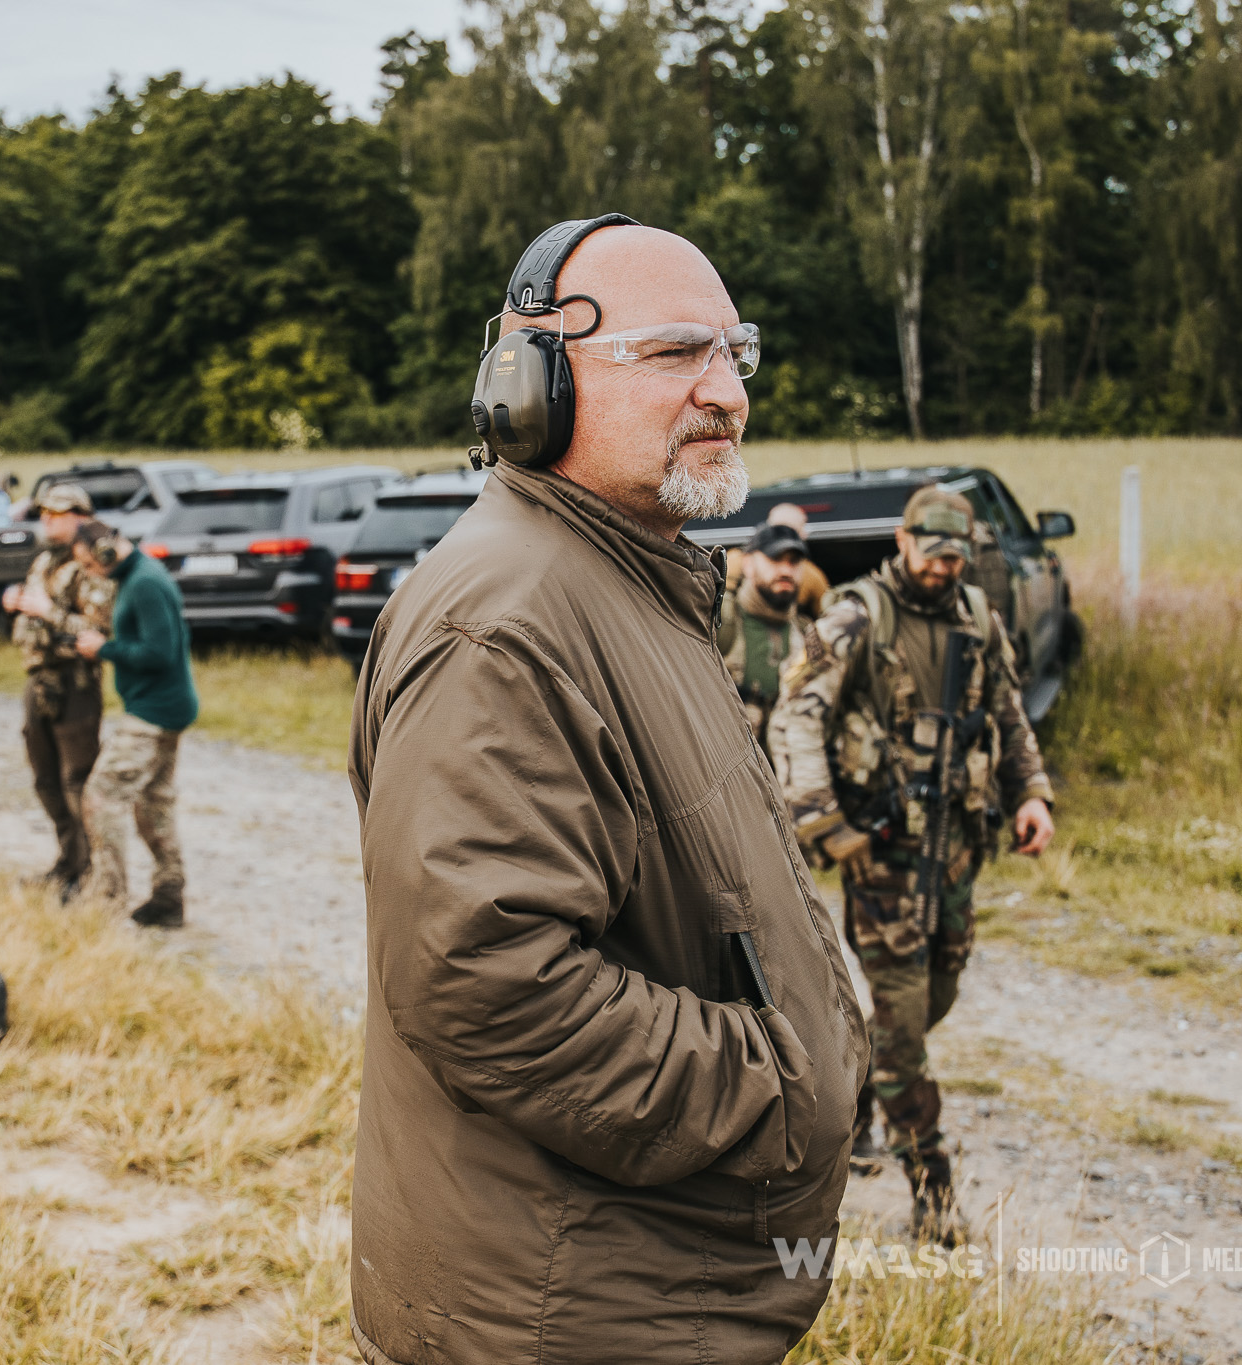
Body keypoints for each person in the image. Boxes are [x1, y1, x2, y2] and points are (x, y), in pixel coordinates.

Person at [349, 220, 864, 1365]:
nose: (724, 391)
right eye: (677, 351)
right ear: (532, 387)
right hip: (564, 1316)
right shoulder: (505, 624)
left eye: (736, 351)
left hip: (637, 1292)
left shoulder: (628, 577)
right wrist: (781, 1084)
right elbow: (484, 985)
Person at [771, 483, 1055, 1235]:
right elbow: (795, 716)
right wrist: (826, 824)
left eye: (955, 557)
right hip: (883, 856)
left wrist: (1033, 795)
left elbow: (1009, 716)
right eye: (931, 555)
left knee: (933, 1000)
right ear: (903, 542)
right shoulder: (857, 616)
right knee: (903, 1032)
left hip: (957, 855)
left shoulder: (977, 617)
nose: (941, 569)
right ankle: (934, 1196)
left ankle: (852, 1102)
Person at [71, 520, 196, 928]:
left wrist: (103, 648)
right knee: (152, 803)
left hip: (153, 712)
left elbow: (160, 652)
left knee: (101, 796)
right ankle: (168, 895)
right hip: (159, 707)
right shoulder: (138, 576)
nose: (90, 572)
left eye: (90, 565)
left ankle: (107, 899)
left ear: (106, 552)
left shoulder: (144, 582)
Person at [3, 484, 113, 897]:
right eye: (44, 513)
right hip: (39, 677)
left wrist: (46, 611)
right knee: (44, 777)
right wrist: (17, 603)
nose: (48, 520)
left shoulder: (93, 564)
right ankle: (68, 861)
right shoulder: (46, 560)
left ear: (81, 517)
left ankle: (90, 873)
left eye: (58, 513)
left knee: (78, 781)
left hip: (75, 683)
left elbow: (99, 630)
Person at [720, 519, 812, 756]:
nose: (785, 570)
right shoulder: (721, 623)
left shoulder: (806, 633)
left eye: (793, 562)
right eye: (775, 559)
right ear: (748, 564)